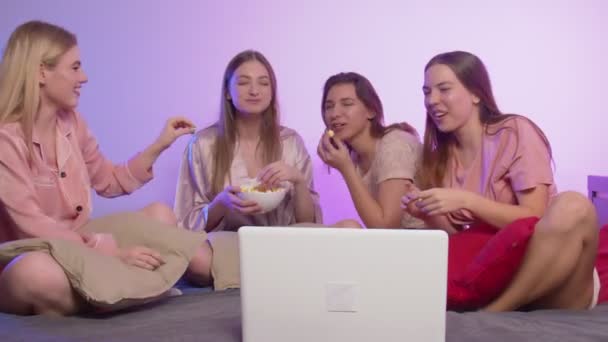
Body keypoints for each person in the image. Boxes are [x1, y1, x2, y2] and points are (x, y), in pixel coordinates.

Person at [0, 20, 195, 315]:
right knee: (36, 275)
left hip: (83, 241)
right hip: (36, 252)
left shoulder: (73, 123)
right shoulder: (6, 140)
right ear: (41, 72)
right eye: (75, 67)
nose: (85, 77)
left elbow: (110, 181)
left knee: (161, 215)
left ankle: (111, 291)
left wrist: (160, 144)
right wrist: (111, 253)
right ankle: (130, 291)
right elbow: (33, 227)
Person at [402, 50, 599, 311]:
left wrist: (467, 201)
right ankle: (496, 307)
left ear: (476, 94)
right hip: (497, 278)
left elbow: (536, 217)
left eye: (444, 89)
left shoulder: (514, 132)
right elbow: (464, 243)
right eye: (427, 92)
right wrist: (428, 214)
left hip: (554, 277)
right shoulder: (440, 158)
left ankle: (497, 311)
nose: (432, 100)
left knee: (573, 205)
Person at [174, 50, 323, 286]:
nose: (254, 91)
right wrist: (222, 203)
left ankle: (258, 274)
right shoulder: (203, 144)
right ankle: (278, 275)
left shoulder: (291, 141)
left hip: (284, 241)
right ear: (227, 93)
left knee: (350, 229)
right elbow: (186, 222)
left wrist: (298, 180)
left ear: (272, 92)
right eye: (243, 82)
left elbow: (308, 223)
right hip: (232, 242)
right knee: (194, 258)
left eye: (263, 83)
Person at [317, 72, 423, 229]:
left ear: (371, 110)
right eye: (329, 106)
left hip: (424, 246)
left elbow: (386, 227)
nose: (334, 114)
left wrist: (346, 169)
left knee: (349, 228)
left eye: (347, 104)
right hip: (393, 246)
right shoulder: (354, 155)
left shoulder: (395, 144)